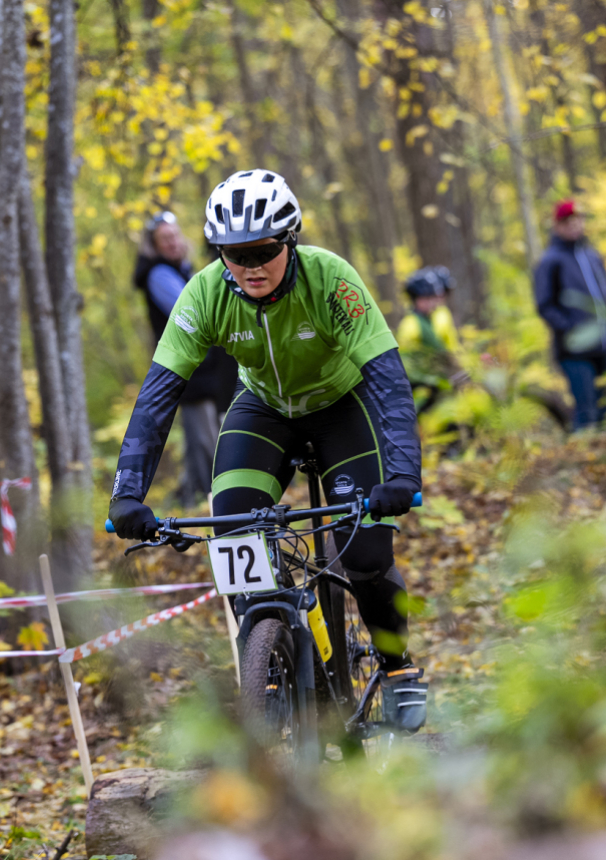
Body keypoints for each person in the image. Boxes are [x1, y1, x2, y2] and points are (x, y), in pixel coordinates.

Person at [108, 169, 429, 733]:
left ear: (290, 240)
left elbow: (388, 381)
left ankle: (398, 666)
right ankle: (269, 662)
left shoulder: (331, 278)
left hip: (341, 406)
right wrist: (127, 492)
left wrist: (403, 473)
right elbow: (158, 397)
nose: (250, 266)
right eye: (235, 254)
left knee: (364, 555)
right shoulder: (205, 293)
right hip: (264, 409)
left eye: (263, 251)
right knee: (233, 526)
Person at [133, 210, 239, 506]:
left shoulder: (181, 269)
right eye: (164, 239)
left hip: (203, 370)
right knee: (203, 440)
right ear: (155, 245)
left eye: (174, 235)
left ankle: (193, 496)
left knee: (204, 438)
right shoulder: (159, 273)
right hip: (189, 369)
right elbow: (189, 309)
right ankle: (205, 499)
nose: (173, 242)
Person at [533, 200, 606, 431]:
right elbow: (545, 305)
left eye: (578, 220)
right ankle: (583, 448)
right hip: (574, 351)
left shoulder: (592, 255)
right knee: (587, 410)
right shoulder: (550, 261)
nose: (574, 226)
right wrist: (570, 329)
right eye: (568, 222)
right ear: (558, 226)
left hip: (602, 345)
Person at [396, 266, 467, 414]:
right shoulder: (410, 325)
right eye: (428, 298)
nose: (433, 302)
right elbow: (404, 362)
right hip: (421, 387)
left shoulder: (432, 318)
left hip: (438, 382)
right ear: (417, 300)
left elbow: (449, 346)